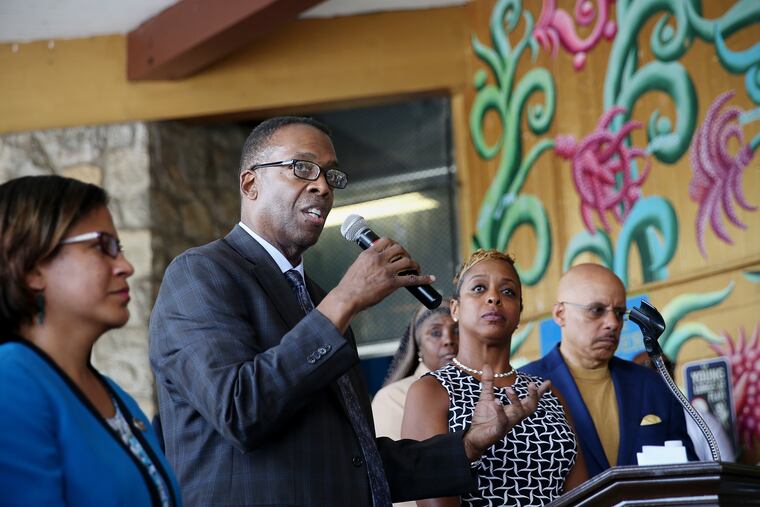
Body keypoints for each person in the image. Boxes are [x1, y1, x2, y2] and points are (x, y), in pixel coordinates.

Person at [149, 117, 551, 507]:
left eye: (331, 176)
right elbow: (239, 409)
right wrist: (346, 300)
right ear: (251, 183)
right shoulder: (202, 273)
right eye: (302, 168)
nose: (323, 186)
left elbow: (354, 460)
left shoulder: (318, 297)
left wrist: (470, 442)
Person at [0, 175, 182, 507]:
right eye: (103, 246)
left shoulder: (118, 397)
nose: (125, 266)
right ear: (32, 268)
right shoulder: (10, 381)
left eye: (120, 249)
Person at [402, 249, 587, 507]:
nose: (493, 298)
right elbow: (433, 496)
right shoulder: (431, 391)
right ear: (455, 309)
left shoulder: (546, 394)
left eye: (508, 292)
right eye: (478, 288)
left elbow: (584, 496)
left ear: (519, 313)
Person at [522, 263, 698, 478]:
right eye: (596, 310)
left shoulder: (653, 386)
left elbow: (689, 477)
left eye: (619, 312)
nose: (613, 323)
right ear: (560, 314)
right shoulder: (526, 386)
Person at [373, 305, 459, 442]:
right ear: (419, 346)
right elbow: (394, 461)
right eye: (436, 333)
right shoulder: (393, 396)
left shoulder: (479, 387)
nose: (449, 340)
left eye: (458, 331)